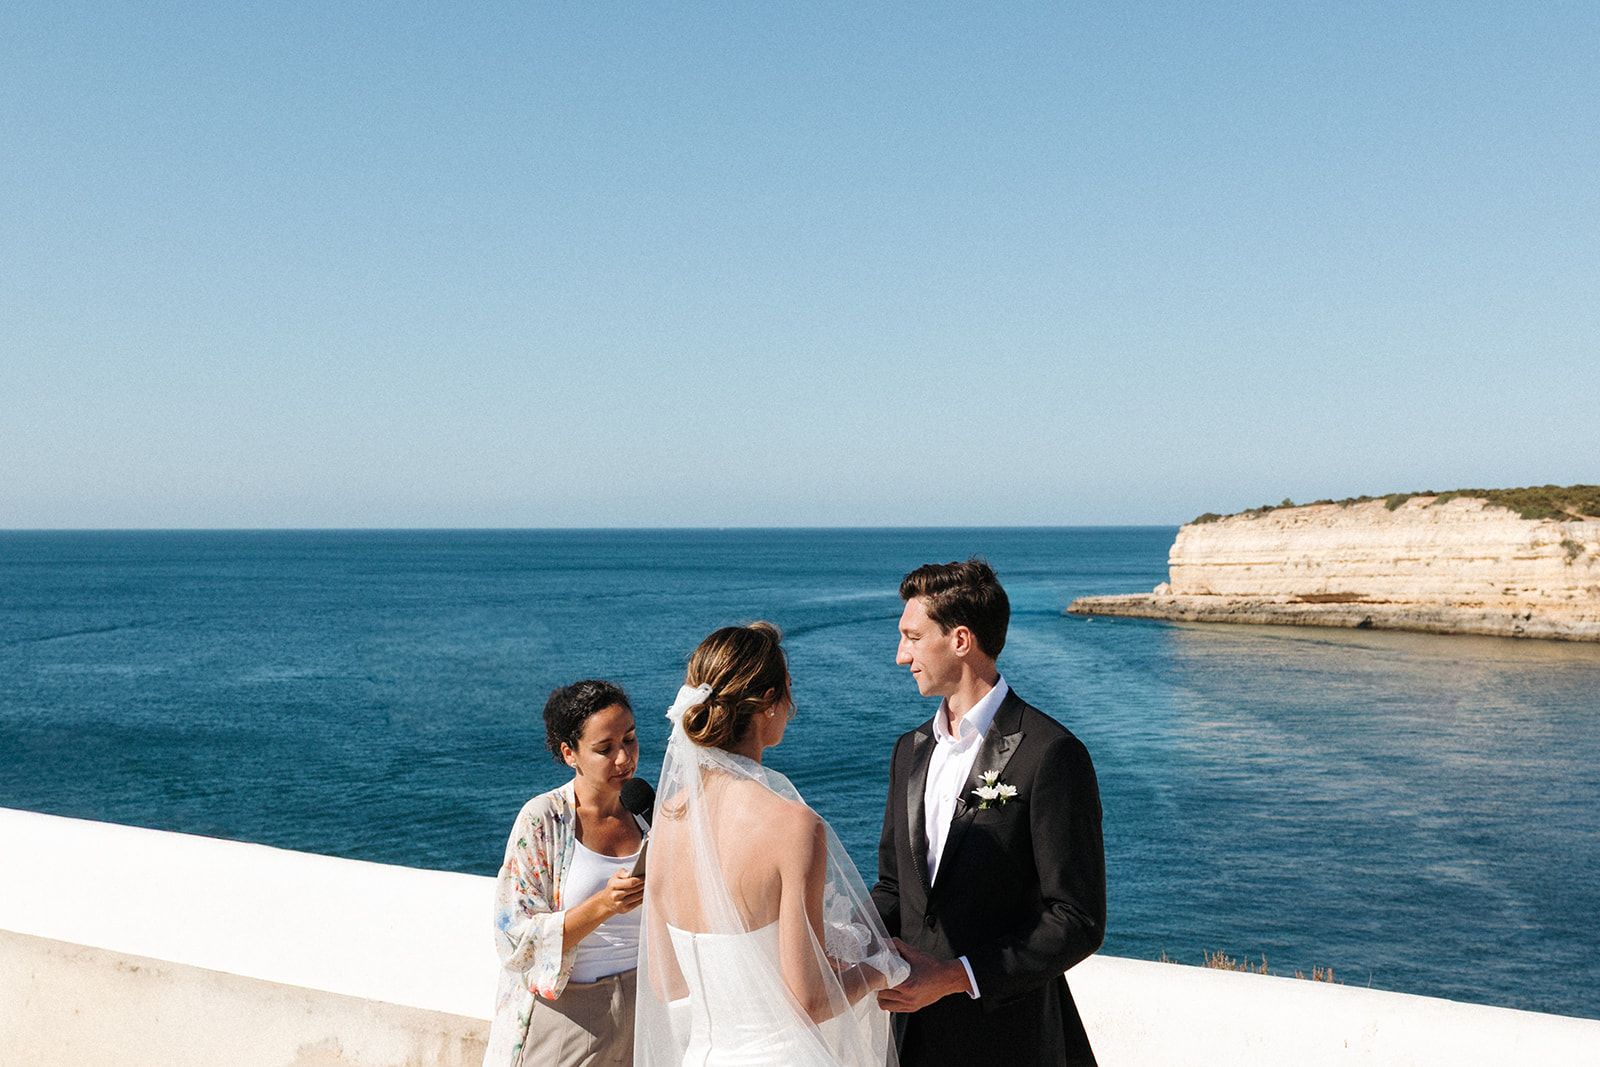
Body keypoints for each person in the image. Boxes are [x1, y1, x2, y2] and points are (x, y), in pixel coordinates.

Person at [635, 622, 908, 1066]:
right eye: (788, 690)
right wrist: (882, 968)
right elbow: (808, 1001)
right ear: (767, 704)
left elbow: (666, 981)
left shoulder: (667, 823)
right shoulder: (794, 826)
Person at [872, 559, 1106, 1066]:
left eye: (912, 637)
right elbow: (895, 888)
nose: (900, 655)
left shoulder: (1051, 753)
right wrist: (841, 939)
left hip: (1009, 1040)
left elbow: (1076, 918)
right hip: (911, 1036)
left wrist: (957, 976)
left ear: (960, 640)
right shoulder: (908, 752)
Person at [484, 680, 648, 1067]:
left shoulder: (646, 810)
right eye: (605, 749)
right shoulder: (543, 820)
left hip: (645, 1003)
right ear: (569, 752)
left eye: (630, 739)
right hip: (569, 1013)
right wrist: (604, 905)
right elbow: (514, 940)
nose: (624, 758)